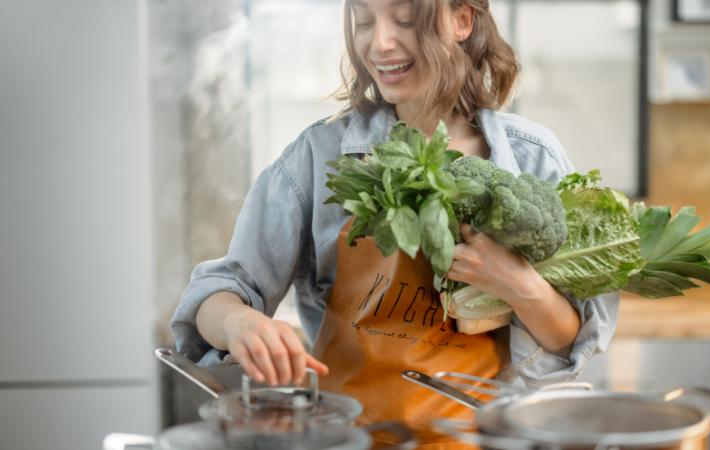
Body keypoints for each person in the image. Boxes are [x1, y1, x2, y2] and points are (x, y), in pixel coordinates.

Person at [171, 0, 619, 447]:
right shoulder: (318, 155)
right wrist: (238, 323)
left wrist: (517, 284)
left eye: (405, 20)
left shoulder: (531, 158)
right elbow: (216, 294)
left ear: (462, 20)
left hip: (478, 440)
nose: (380, 43)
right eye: (364, 21)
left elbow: (568, 341)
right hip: (347, 438)